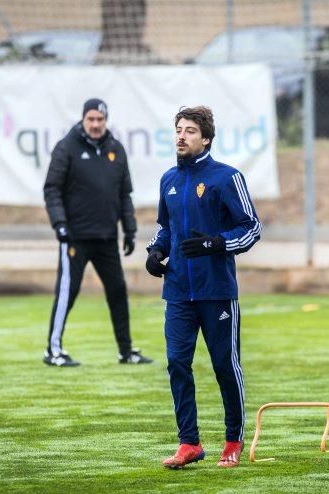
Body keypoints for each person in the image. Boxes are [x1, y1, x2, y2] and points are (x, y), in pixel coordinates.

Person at [145, 106, 261, 468]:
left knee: (225, 366)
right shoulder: (168, 179)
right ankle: (189, 443)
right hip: (178, 291)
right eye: (178, 129)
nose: (181, 136)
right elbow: (166, 227)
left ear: (206, 138)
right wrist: (156, 250)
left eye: (190, 130)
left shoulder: (227, 178)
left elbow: (251, 228)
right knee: (177, 363)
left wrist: (216, 243)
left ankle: (233, 440)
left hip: (217, 292)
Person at [42, 97, 153, 367]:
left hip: (106, 238)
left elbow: (124, 194)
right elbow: (52, 189)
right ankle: (53, 350)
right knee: (68, 292)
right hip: (75, 237)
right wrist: (60, 225)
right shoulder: (66, 147)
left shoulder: (116, 149)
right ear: (83, 119)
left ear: (106, 121)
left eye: (100, 120)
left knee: (118, 291)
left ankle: (126, 351)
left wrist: (129, 230)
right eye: (90, 119)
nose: (95, 124)